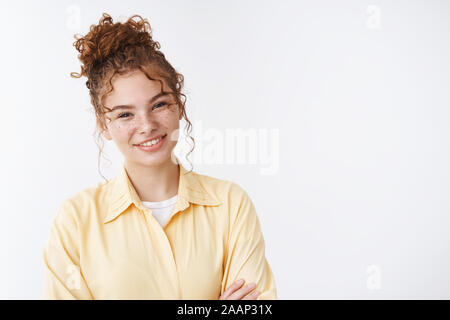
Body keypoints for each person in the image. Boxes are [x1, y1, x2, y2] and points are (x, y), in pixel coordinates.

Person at [42, 12, 277, 300]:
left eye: (159, 104)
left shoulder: (230, 206)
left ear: (179, 106)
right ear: (104, 125)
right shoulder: (76, 221)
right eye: (125, 114)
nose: (147, 125)